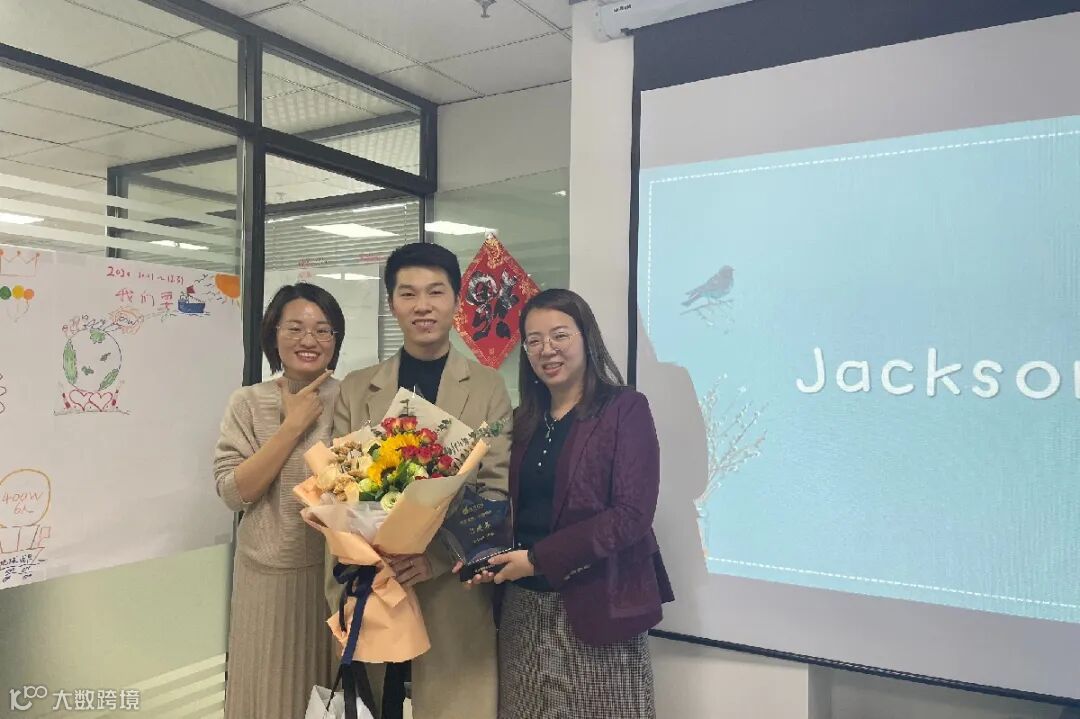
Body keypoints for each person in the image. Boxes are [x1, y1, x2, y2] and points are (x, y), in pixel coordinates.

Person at [471, 287, 674, 719]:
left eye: (560, 335)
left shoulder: (624, 408)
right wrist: (479, 555)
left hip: (600, 606)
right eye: (534, 340)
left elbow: (631, 515)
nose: (547, 349)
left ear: (586, 337)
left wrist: (537, 559)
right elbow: (510, 507)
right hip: (523, 610)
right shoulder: (523, 420)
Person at [328, 242, 512, 719]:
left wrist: (435, 557)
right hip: (375, 582)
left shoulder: (488, 387)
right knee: (378, 702)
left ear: (456, 302)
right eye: (408, 294)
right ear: (392, 304)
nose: (422, 306)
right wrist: (374, 552)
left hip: (451, 589)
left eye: (435, 292)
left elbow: (495, 489)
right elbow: (338, 483)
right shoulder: (357, 388)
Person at [213, 283, 345, 719]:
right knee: (265, 697)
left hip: (333, 578)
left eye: (323, 330)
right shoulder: (249, 403)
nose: (309, 340)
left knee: (325, 697)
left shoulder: (351, 399)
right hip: (266, 578)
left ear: (335, 340)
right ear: (274, 334)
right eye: (295, 328)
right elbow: (234, 492)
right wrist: (291, 427)